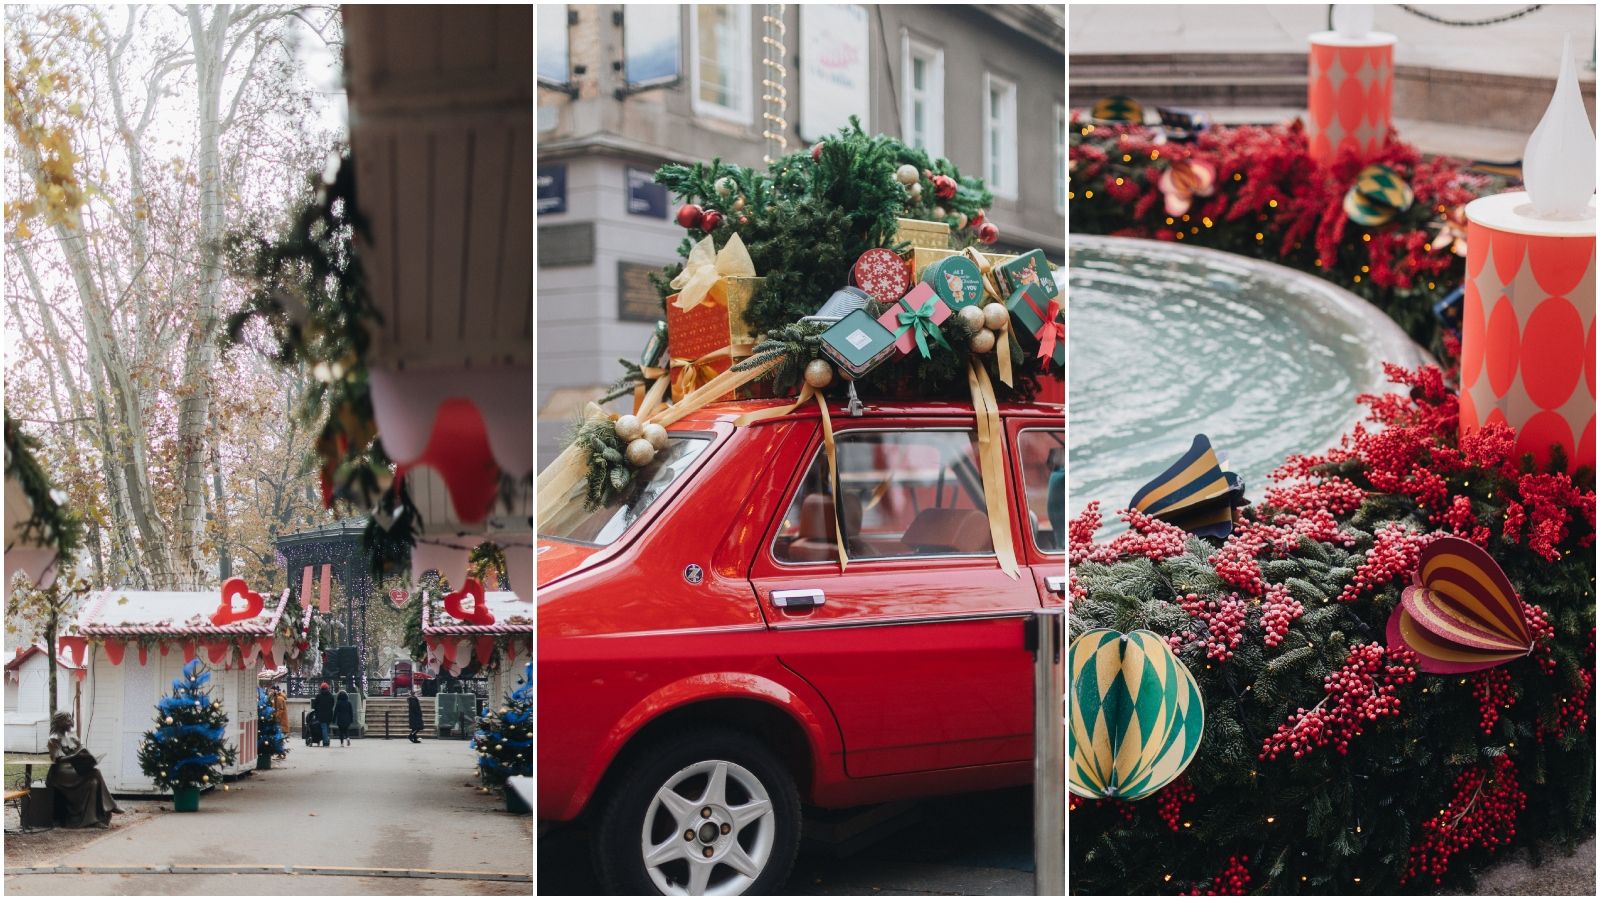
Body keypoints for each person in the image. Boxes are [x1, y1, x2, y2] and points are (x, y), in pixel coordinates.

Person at [45, 712, 121, 828]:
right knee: (96, 773)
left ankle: (93, 820)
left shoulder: (72, 738)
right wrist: (76, 756)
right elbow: (57, 759)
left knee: (94, 782)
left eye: (71, 718)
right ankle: (112, 805)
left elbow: (82, 751)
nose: (71, 721)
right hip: (61, 773)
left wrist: (86, 756)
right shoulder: (53, 739)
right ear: (59, 722)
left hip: (75, 770)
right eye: (68, 719)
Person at [312, 682, 335, 747]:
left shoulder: (318, 696)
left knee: (324, 728)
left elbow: (315, 706)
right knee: (327, 727)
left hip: (321, 715)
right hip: (329, 714)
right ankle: (327, 739)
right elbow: (332, 704)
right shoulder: (331, 696)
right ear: (327, 688)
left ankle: (326, 742)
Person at [271, 686, 290, 759]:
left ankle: (281, 753)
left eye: (271, 691)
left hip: (280, 721)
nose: (270, 692)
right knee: (279, 737)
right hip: (280, 721)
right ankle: (281, 753)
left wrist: (274, 716)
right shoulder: (276, 698)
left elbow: (280, 710)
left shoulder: (279, 699)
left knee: (279, 737)